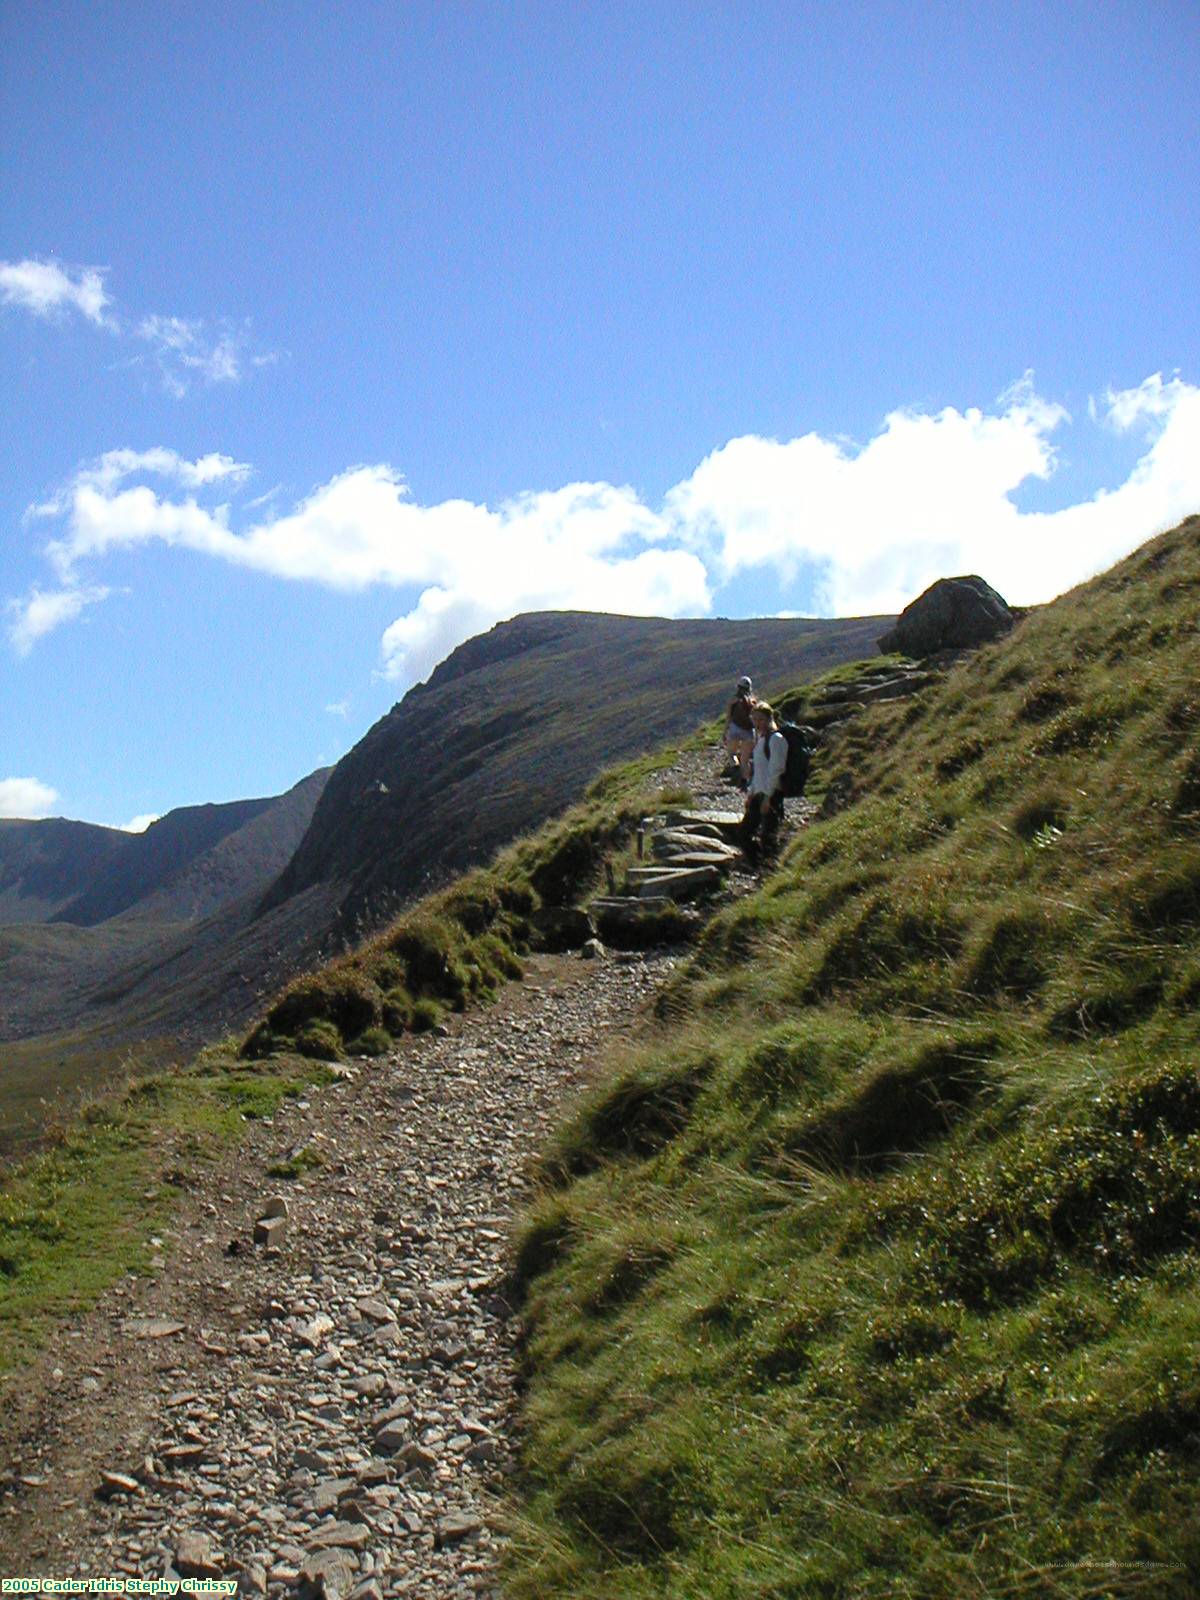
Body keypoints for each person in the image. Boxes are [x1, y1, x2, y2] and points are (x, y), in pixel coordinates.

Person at [741, 701, 788, 859]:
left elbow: (776, 769)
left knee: (768, 835)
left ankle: (769, 870)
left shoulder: (776, 739)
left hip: (771, 794)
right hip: (759, 793)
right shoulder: (761, 740)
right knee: (745, 832)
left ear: (769, 718)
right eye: (754, 719)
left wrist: (768, 797)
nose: (757, 723)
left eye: (760, 719)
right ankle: (758, 865)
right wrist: (751, 793)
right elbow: (759, 771)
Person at [723, 676, 757, 788]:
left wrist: (725, 731)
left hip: (735, 728)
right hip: (749, 731)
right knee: (745, 758)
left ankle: (736, 770)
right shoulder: (753, 700)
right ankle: (744, 781)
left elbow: (729, 717)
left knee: (731, 753)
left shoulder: (733, 700)